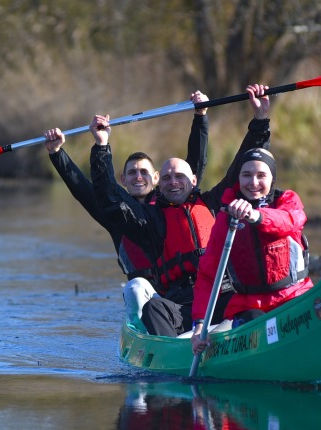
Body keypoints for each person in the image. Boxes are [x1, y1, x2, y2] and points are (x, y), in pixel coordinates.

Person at [91, 84, 273, 337]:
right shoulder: (150, 220)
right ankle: (176, 351)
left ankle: (243, 342)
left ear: (194, 180)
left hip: (222, 294)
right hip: (181, 303)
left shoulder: (215, 202)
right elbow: (110, 197)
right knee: (154, 308)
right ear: (158, 184)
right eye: (166, 178)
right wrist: (102, 146)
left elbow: (243, 163)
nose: (173, 181)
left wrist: (261, 119)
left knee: (253, 307)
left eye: (179, 176)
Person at [43, 91, 209, 332]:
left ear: (156, 178)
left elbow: (194, 165)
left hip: (177, 292)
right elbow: (82, 189)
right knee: (135, 286)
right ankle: (147, 333)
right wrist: (57, 153)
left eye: (143, 172)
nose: (138, 176)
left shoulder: (173, 204)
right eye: (131, 173)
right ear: (122, 179)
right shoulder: (115, 216)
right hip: (144, 297)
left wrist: (200, 116)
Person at [190, 145, 313, 356]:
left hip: (294, 297)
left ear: (271, 179)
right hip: (249, 307)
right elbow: (209, 276)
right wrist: (200, 324)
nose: (253, 182)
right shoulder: (225, 218)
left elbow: (289, 221)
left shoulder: (288, 202)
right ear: (238, 178)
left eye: (261, 175)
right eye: (246, 175)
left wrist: (257, 216)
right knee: (254, 321)